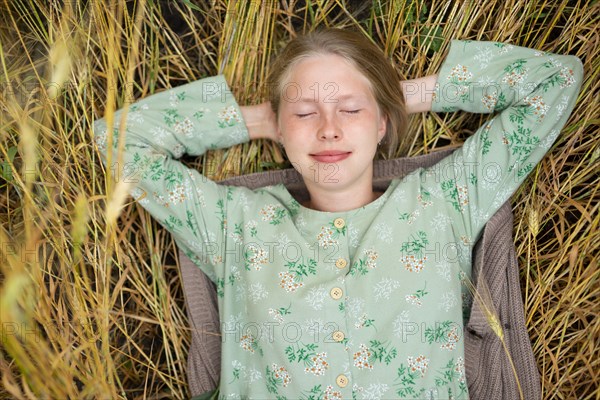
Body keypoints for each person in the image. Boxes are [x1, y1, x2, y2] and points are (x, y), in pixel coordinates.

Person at [93, 29, 583, 399]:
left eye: (350, 109)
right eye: (305, 113)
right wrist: (260, 118)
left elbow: (556, 79)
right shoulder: (232, 224)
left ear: (382, 123)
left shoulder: (445, 202)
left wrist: (398, 94)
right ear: (281, 129)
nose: (328, 129)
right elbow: (116, 140)